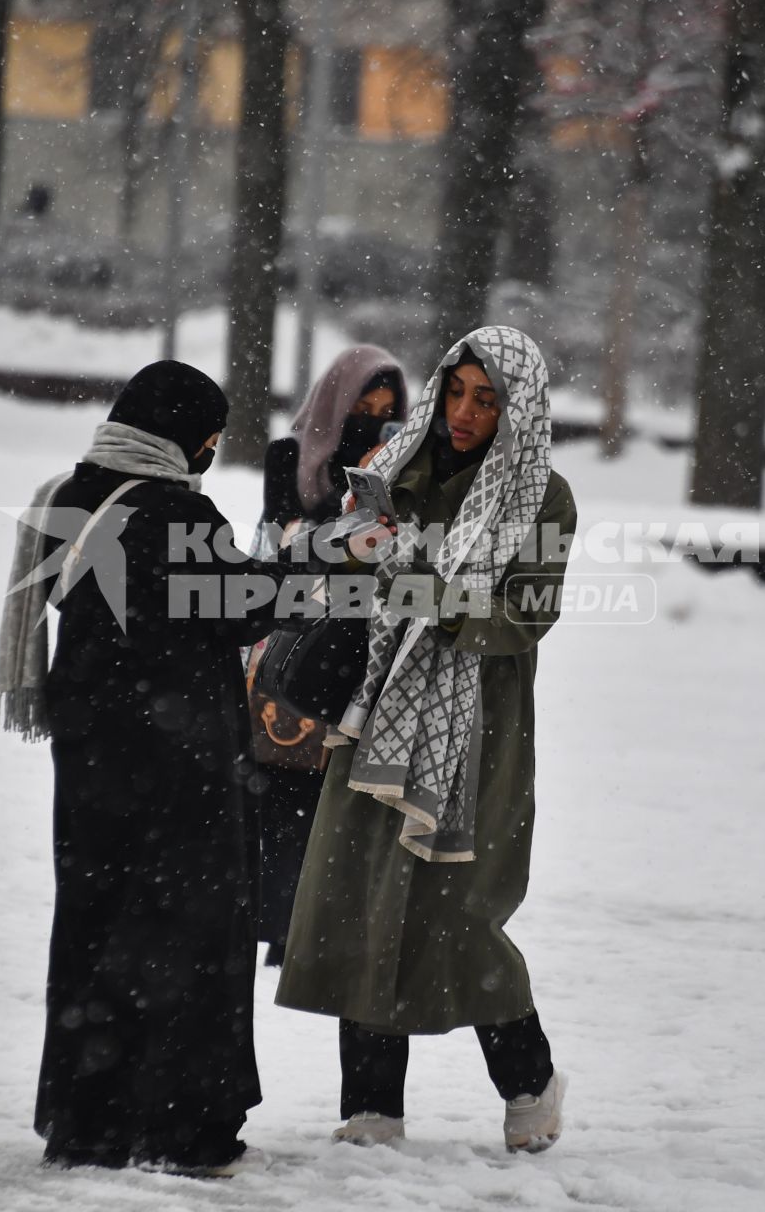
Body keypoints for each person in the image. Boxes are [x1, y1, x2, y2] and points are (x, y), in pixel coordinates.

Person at [0, 359, 327, 1175]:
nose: (209, 451)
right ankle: (179, 1124)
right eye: (207, 437)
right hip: (181, 764)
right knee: (189, 935)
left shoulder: (68, 497)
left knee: (98, 921)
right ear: (184, 435)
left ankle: (88, 1117)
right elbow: (244, 606)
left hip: (94, 755)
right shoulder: (175, 511)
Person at [275, 325, 576, 1153]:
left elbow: (529, 614)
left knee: (460, 911)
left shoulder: (541, 496)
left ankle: (528, 1082)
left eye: (488, 398)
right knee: (356, 895)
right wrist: (350, 549)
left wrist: (430, 596)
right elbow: (337, 567)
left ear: (519, 409)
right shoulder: (394, 469)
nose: (465, 412)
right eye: (456, 392)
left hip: (478, 725)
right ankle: (371, 1107)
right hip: (376, 712)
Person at [251, 344, 407, 967]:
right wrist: (343, 524)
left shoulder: (398, 461)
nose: (371, 419)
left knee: (336, 790)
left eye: (386, 409)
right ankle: (278, 920)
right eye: (361, 407)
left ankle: (319, 925)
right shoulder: (290, 456)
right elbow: (282, 539)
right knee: (282, 778)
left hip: (359, 638)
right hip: (297, 630)